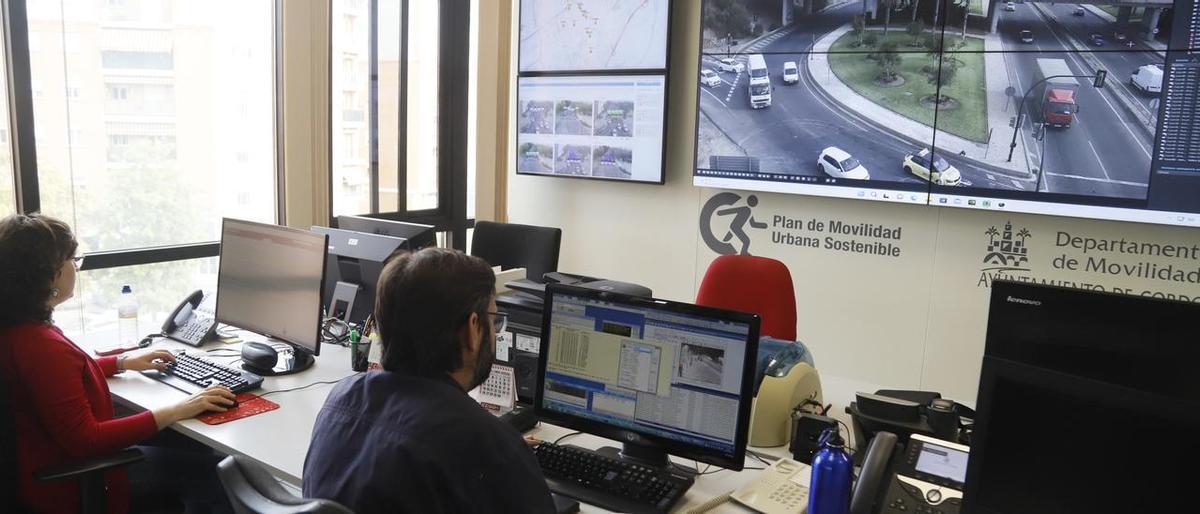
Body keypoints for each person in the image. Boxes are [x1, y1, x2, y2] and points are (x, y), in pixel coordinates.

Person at [0, 213, 237, 513]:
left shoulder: (18, 330)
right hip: (82, 481)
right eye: (72, 260)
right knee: (218, 472)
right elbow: (87, 439)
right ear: (49, 275)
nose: (76, 267)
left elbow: (60, 381)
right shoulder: (41, 347)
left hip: (45, 469)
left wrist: (123, 362)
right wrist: (178, 408)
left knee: (192, 444)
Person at [303, 247, 555, 513]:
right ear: (472, 329)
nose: (495, 333)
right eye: (493, 321)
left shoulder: (339, 400)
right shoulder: (487, 445)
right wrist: (503, 449)